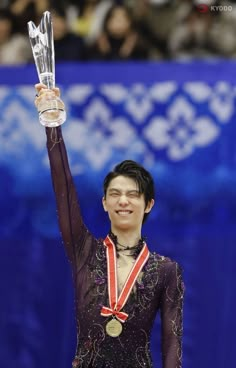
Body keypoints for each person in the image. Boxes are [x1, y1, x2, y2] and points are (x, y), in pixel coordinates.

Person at [34, 84, 185, 368]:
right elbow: (63, 189)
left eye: (133, 194)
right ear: (104, 203)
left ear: (148, 204)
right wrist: (52, 124)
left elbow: (172, 342)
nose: (123, 201)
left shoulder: (166, 271)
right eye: (115, 194)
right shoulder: (84, 253)